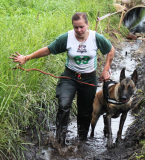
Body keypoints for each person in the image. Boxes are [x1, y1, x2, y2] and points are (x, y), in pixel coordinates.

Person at [10, 12, 115, 146]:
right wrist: (26, 57)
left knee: (85, 111)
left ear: (87, 25)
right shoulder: (67, 37)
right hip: (69, 76)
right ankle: (60, 141)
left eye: (82, 27)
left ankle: (82, 140)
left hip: (89, 79)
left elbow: (111, 50)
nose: (79, 30)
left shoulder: (96, 37)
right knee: (63, 104)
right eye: (76, 27)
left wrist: (106, 69)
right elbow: (48, 50)